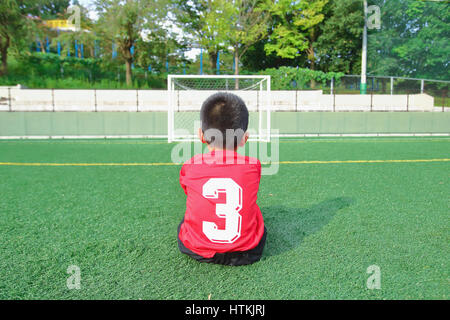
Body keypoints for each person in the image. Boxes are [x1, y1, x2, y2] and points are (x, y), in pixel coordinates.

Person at [177, 92, 266, 266]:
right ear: (244, 139)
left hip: (196, 250)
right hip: (246, 253)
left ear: (201, 135)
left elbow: (188, 191)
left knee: (185, 219)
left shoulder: (190, 165)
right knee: (255, 212)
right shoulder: (253, 165)